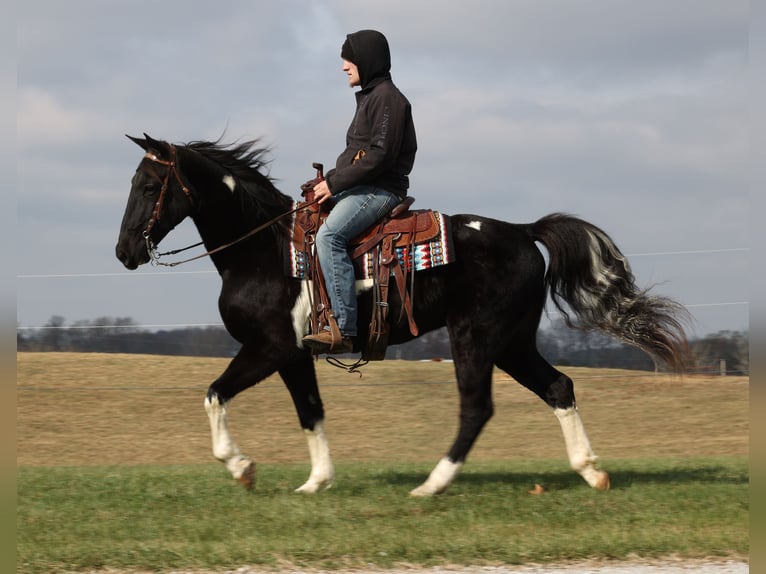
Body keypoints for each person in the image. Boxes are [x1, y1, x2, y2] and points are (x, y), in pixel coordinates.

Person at [302, 29, 417, 354]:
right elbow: (359, 155)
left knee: (329, 237)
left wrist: (335, 183)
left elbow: (380, 155)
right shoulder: (372, 97)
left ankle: (343, 328)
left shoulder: (388, 99)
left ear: (367, 60)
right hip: (362, 186)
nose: (343, 66)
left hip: (380, 190)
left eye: (348, 58)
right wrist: (327, 183)